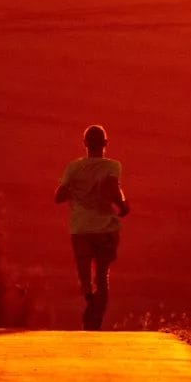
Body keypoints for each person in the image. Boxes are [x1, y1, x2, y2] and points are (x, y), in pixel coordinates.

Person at [54, 125, 129, 330]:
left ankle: (89, 301)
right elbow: (113, 188)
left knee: (85, 278)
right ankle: (95, 320)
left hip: (80, 229)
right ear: (105, 144)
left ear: (84, 144)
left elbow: (58, 197)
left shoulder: (73, 168)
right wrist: (123, 206)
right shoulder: (112, 166)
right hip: (105, 229)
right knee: (102, 276)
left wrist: (75, 190)